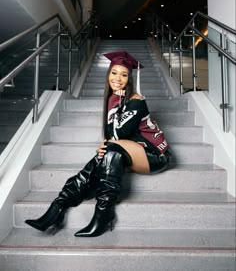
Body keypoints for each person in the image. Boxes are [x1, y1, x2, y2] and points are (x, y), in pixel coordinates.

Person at [25, 51, 171, 237]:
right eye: (114, 73)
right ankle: (59, 207)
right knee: (107, 154)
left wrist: (115, 100)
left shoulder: (136, 101)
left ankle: (101, 213)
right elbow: (112, 137)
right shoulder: (115, 100)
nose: (118, 78)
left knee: (110, 151)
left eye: (124, 75)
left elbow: (117, 135)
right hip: (132, 151)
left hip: (155, 155)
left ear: (130, 79)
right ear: (108, 74)